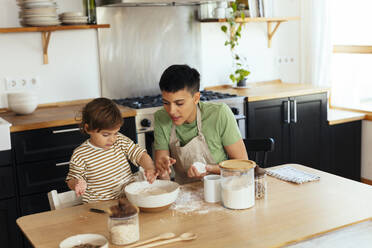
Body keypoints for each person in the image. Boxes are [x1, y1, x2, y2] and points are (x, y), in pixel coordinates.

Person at [154, 64, 248, 184]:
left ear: (196, 98)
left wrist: (209, 169)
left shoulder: (219, 114)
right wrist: (162, 171)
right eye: (166, 103)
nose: (171, 111)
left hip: (222, 188)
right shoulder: (161, 118)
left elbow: (242, 165)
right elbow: (164, 177)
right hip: (184, 192)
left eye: (179, 103)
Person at [66, 98, 157, 203]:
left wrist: (149, 167)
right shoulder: (80, 154)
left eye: (115, 133)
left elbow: (140, 155)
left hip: (127, 200)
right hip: (100, 206)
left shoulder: (120, 141)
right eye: (106, 135)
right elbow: (71, 179)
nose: (112, 139)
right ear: (88, 128)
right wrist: (77, 183)